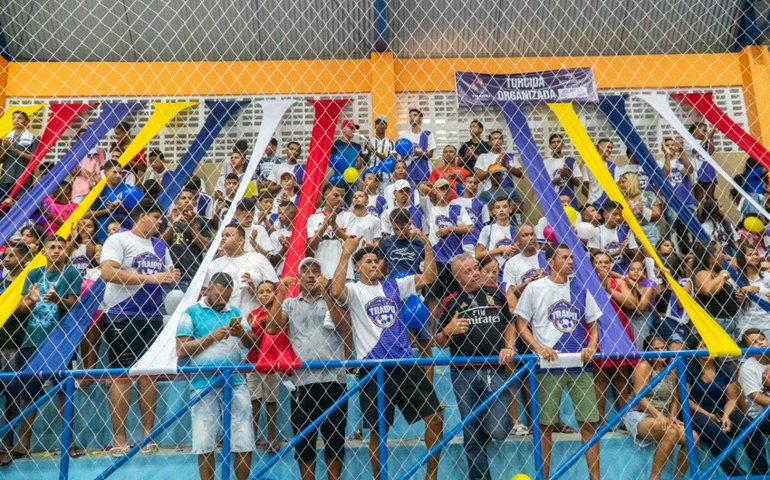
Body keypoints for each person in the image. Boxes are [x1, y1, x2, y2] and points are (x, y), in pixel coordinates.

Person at [330, 234, 442, 480]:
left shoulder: (393, 285)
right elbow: (336, 290)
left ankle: (430, 476)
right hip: (374, 367)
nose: (373, 264)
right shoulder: (355, 290)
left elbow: (429, 277)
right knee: (379, 432)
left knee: (435, 417)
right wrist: (346, 253)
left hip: (403, 362)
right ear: (358, 267)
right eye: (368, 261)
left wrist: (426, 247)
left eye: (376, 261)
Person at [100, 199, 180, 456]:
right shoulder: (119, 240)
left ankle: (148, 436)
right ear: (141, 215)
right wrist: (150, 278)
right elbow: (108, 273)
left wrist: (171, 277)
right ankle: (119, 439)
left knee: (149, 375)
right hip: (122, 314)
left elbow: (166, 275)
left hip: (152, 315)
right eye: (156, 217)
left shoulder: (160, 244)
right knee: (122, 375)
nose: (160, 222)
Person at [514, 243, 601, 480]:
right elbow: (520, 322)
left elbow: (593, 323)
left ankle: (596, 478)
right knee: (545, 427)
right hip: (548, 367)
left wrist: (592, 345)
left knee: (590, 423)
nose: (571, 261)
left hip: (579, 365)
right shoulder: (535, 288)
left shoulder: (581, 288)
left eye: (572, 257)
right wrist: (538, 348)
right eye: (565, 257)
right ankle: (544, 477)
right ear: (550, 262)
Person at [264, 258, 348, 480]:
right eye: (306, 271)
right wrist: (280, 292)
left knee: (335, 439)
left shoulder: (335, 300)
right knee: (304, 442)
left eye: (316, 271)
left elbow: (343, 326)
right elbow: (271, 327)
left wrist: (327, 293)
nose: (311, 275)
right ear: (298, 277)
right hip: (302, 382)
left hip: (334, 380)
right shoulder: (290, 304)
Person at [435, 253, 516, 480]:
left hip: (494, 368)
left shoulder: (495, 293)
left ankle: (483, 427)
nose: (475, 274)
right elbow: (439, 341)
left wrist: (509, 346)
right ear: (458, 278)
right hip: (464, 373)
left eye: (475, 269)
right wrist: (449, 329)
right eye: (467, 272)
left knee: (498, 430)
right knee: (471, 434)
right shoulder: (450, 301)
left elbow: (509, 324)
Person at [3, 235, 82, 461]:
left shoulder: (71, 274)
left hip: (61, 340)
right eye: (52, 247)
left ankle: (69, 442)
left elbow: (74, 305)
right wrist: (31, 299)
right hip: (32, 340)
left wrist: (58, 299)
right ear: (44, 252)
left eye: (60, 247)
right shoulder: (34, 274)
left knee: (63, 393)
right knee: (28, 393)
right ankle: (23, 444)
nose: (56, 251)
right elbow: (22, 309)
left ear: (66, 251)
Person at [176, 271, 257, 480]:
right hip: (204, 383)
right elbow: (181, 349)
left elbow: (253, 343)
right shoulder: (191, 312)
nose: (223, 301)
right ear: (207, 290)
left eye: (227, 297)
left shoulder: (234, 312)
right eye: (219, 296)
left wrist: (243, 334)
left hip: (236, 381)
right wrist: (211, 337)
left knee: (244, 436)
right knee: (204, 439)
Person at [686, 334, 767, 477]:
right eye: (703, 345)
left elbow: (731, 397)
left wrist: (726, 415)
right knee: (715, 432)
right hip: (697, 412)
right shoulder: (689, 369)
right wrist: (709, 415)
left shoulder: (724, 368)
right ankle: (737, 475)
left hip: (723, 409)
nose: (708, 348)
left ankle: (761, 473)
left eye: (710, 344)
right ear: (695, 349)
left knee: (750, 427)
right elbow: (686, 399)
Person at [624, 335, 695, 480]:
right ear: (648, 351)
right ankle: (654, 477)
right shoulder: (644, 366)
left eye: (663, 347)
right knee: (671, 432)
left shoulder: (672, 369)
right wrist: (659, 416)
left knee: (692, 437)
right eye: (656, 349)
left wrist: (672, 416)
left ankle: (678, 477)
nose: (661, 351)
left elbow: (675, 398)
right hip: (639, 414)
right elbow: (639, 398)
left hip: (663, 415)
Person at [204, 223, 278, 318]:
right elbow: (206, 293)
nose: (223, 238)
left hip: (255, 319)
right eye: (222, 235)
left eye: (228, 235)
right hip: (223, 320)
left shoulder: (259, 259)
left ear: (240, 240)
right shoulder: (214, 264)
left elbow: (276, 287)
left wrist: (254, 288)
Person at [245, 280, 283, 453]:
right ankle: (251, 437)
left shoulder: (279, 313)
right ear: (257, 295)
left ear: (275, 293)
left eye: (269, 291)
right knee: (254, 400)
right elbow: (248, 340)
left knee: (271, 401)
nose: (265, 294)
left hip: (271, 362)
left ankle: (272, 438)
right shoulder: (252, 315)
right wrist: (255, 328)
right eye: (261, 292)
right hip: (253, 362)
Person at [691, 241, 745, 337]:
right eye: (719, 252)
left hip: (729, 323)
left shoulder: (718, 273)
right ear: (709, 255)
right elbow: (708, 290)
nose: (723, 255)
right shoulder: (703, 273)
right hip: (713, 322)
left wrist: (738, 298)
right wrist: (722, 275)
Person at [162, 189, 212, 291]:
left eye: (190, 198)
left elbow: (205, 246)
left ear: (195, 203)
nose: (187, 201)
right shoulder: (166, 220)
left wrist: (191, 225)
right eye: (183, 198)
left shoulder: (202, 221)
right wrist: (173, 224)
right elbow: (159, 244)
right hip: (172, 276)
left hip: (193, 276)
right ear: (176, 202)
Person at [87, 159, 142, 242]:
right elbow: (86, 214)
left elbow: (138, 214)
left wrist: (122, 207)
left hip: (124, 234)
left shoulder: (128, 190)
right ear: (105, 173)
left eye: (120, 173)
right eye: (114, 172)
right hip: (102, 233)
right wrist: (106, 211)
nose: (118, 175)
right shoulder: (98, 190)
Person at [658, 137, 695, 255]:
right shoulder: (659, 162)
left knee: (692, 230)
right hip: (672, 203)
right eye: (667, 145)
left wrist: (681, 151)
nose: (670, 147)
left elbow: (690, 169)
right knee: (674, 231)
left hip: (688, 201)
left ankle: (692, 254)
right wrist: (668, 155)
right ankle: (678, 255)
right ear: (663, 148)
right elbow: (665, 174)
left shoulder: (681, 160)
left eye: (672, 145)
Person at [307, 183, 348, 278]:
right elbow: (310, 247)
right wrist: (324, 226)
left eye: (342, 196)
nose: (340, 199)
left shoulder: (349, 216)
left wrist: (333, 225)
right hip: (322, 272)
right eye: (336, 195)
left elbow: (351, 241)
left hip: (345, 273)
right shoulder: (313, 219)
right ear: (325, 194)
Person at [587, 200, 638, 274]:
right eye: (615, 214)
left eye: (620, 215)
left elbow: (635, 256)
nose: (618, 217)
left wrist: (626, 250)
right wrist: (617, 252)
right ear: (605, 214)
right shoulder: (596, 231)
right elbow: (595, 257)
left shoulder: (625, 230)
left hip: (624, 272)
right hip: (603, 273)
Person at [0, 111, 38, 201]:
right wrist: (5, 149)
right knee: (3, 208)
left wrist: (14, 149)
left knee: (20, 207)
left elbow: (34, 159)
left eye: (19, 118)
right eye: (13, 118)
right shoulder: (7, 138)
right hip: (6, 178)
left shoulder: (33, 138)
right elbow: (1, 160)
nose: (15, 120)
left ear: (27, 121)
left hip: (24, 179)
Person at [475, 198, 517, 278]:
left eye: (504, 207)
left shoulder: (516, 230)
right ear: (493, 211)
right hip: (494, 273)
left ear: (510, 209)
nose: (501, 210)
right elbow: (478, 254)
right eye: (498, 207)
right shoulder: (488, 229)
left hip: (512, 272)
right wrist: (500, 250)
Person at [734, 244, 770, 337]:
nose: (755, 257)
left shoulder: (767, 276)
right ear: (741, 257)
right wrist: (743, 290)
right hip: (745, 326)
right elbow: (732, 300)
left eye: (756, 254)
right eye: (750, 254)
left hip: (767, 324)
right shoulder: (735, 278)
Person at [619, 172, 662, 247]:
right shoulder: (622, 201)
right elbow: (618, 220)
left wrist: (643, 212)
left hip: (650, 235)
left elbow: (657, 215)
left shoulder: (648, 195)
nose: (621, 185)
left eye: (623, 182)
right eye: (620, 183)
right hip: (631, 236)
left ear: (632, 182)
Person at [474, 130, 523, 194]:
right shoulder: (483, 157)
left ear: (503, 141)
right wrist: (495, 165)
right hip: (490, 193)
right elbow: (477, 179)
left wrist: (505, 164)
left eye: (499, 139)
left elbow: (521, 175)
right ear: (489, 142)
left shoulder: (510, 156)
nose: (497, 141)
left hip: (508, 192)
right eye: (494, 139)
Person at [544, 133, 583, 208]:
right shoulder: (545, 163)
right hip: (554, 199)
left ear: (563, 144)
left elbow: (578, 183)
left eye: (558, 142)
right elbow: (546, 185)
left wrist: (568, 175)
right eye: (553, 142)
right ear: (550, 146)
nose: (556, 144)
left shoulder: (570, 161)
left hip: (570, 199)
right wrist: (560, 177)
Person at [400, 108, 435, 186]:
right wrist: (407, 154)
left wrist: (417, 153)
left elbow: (430, 154)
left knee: (424, 197)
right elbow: (402, 158)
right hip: (409, 172)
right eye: (410, 116)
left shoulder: (427, 134)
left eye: (415, 115)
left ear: (421, 118)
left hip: (424, 172)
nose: (412, 117)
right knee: (410, 197)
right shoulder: (404, 136)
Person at [71, 127, 106, 203]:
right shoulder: (76, 152)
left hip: (96, 186)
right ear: (78, 140)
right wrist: (82, 171)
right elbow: (72, 172)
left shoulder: (99, 151)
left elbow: (102, 168)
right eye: (82, 137)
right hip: (80, 187)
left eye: (87, 136)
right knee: (78, 210)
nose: (85, 139)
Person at [583, 138, 619, 209]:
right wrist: (593, 199)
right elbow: (584, 188)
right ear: (599, 146)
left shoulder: (613, 167)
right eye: (608, 147)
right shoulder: (588, 165)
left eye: (611, 148)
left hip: (609, 206)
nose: (610, 150)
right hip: (594, 205)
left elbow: (617, 187)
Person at [689, 122, 717, 202]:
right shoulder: (690, 141)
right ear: (695, 130)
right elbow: (694, 151)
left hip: (709, 170)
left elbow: (711, 152)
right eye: (704, 130)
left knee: (711, 197)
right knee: (699, 197)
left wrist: (711, 137)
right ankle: (700, 214)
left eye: (706, 131)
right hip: (698, 171)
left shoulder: (706, 141)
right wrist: (707, 138)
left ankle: (711, 213)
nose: (706, 132)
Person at [366, 115, 395, 185]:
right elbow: (365, 162)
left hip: (386, 177)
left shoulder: (391, 143)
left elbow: (392, 161)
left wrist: (375, 152)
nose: (379, 125)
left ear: (386, 126)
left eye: (382, 123)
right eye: (377, 123)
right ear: (375, 126)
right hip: (372, 176)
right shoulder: (369, 141)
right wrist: (369, 152)